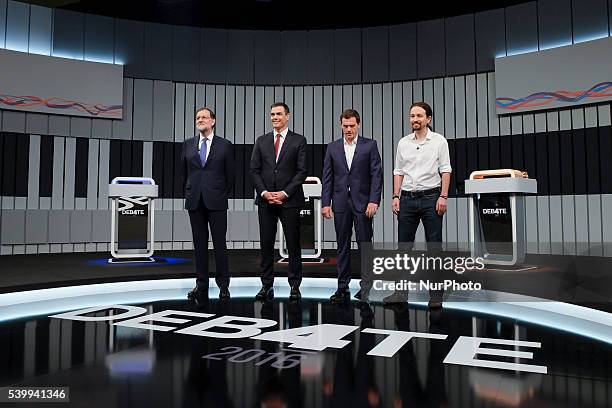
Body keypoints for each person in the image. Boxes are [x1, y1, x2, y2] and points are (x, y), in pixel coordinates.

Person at [391, 101, 451, 308]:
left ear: (428, 119)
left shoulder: (439, 141)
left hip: (431, 199)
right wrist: (395, 196)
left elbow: (446, 170)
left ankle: (435, 295)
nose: (415, 119)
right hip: (406, 199)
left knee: (433, 248)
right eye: (412, 116)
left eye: (419, 116)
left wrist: (443, 196)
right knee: (403, 248)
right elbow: (398, 172)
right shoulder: (403, 143)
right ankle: (400, 293)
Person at [321, 109, 382, 303]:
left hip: (364, 203)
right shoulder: (332, 147)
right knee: (342, 245)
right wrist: (325, 203)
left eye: (352, 126)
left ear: (358, 124)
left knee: (365, 244)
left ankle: (367, 287)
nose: (348, 129)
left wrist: (374, 200)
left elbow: (376, 176)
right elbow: (327, 177)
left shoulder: (370, 145)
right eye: (345, 126)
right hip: (340, 203)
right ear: (341, 125)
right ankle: (342, 286)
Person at [250, 102, 308, 301]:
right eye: (272, 114)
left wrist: (284, 193)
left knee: (293, 244)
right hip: (266, 201)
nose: (275, 117)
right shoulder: (261, 140)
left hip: (289, 201)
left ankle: (295, 285)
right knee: (266, 244)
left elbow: (302, 172)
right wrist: (265, 192)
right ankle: (266, 285)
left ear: (288, 116)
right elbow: (254, 170)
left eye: (279, 114)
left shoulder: (298, 140)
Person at [182, 107, 234, 302]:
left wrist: (219, 192)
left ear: (213, 121)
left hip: (217, 200)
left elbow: (231, 176)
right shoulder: (187, 145)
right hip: (194, 200)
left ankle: (223, 286)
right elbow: (184, 173)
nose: (200, 120)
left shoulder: (225, 145)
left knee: (220, 245)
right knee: (199, 246)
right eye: (197, 117)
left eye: (204, 117)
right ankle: (201, 284)